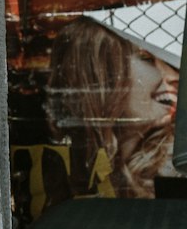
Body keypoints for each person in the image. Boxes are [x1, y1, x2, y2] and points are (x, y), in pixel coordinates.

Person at [44, 15, 178, 198]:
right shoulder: (59, 170)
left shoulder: (174, 164)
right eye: (146, 59)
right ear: (103, 80)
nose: (172, 75)